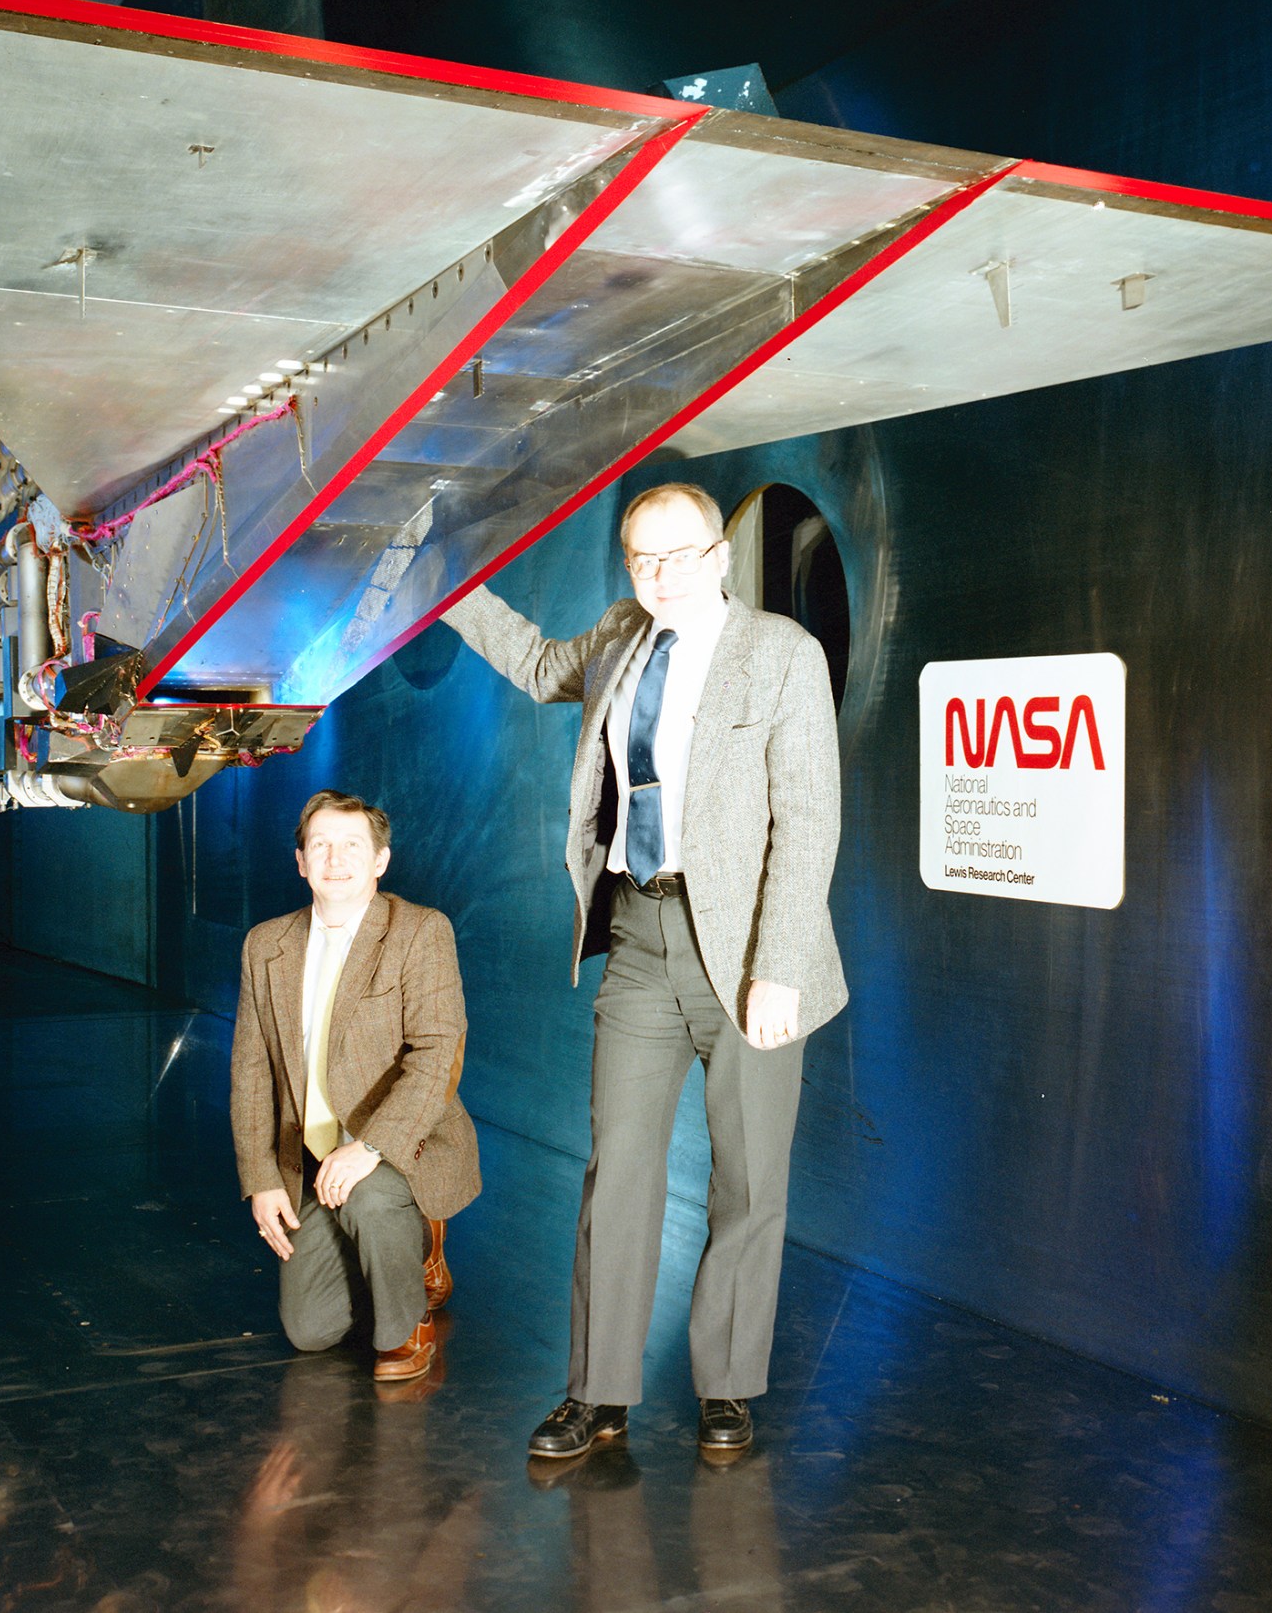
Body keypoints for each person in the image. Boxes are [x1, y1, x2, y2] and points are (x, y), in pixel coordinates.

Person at [441, 480, 845, 1458]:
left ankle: (726, 1386)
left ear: (717, 556)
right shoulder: (624, 633)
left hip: (749, 950)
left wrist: (778, 965)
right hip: (638, 939)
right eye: (640, 558)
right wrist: (445, 590)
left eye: (675, 556)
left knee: (749, 1181)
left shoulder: (779, 655)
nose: (657, 575)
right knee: (615, 1167)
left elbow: (808, 814)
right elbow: (540, 665)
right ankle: (597, 1393)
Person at [230, 789, 480, 1381]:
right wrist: (261, 1179)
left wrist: (368, 1148)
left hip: (401, 1143)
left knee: (370, 1196)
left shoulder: (420, 931)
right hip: (315, 1160)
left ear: (379, 861)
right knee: (310, 1332)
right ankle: (391, 1248)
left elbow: (438, 1054)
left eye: (351, 846)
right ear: (300, 861)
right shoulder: (266, 945)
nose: (334, 859)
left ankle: (408, 1327)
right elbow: (250, 1070)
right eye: (320, 845)